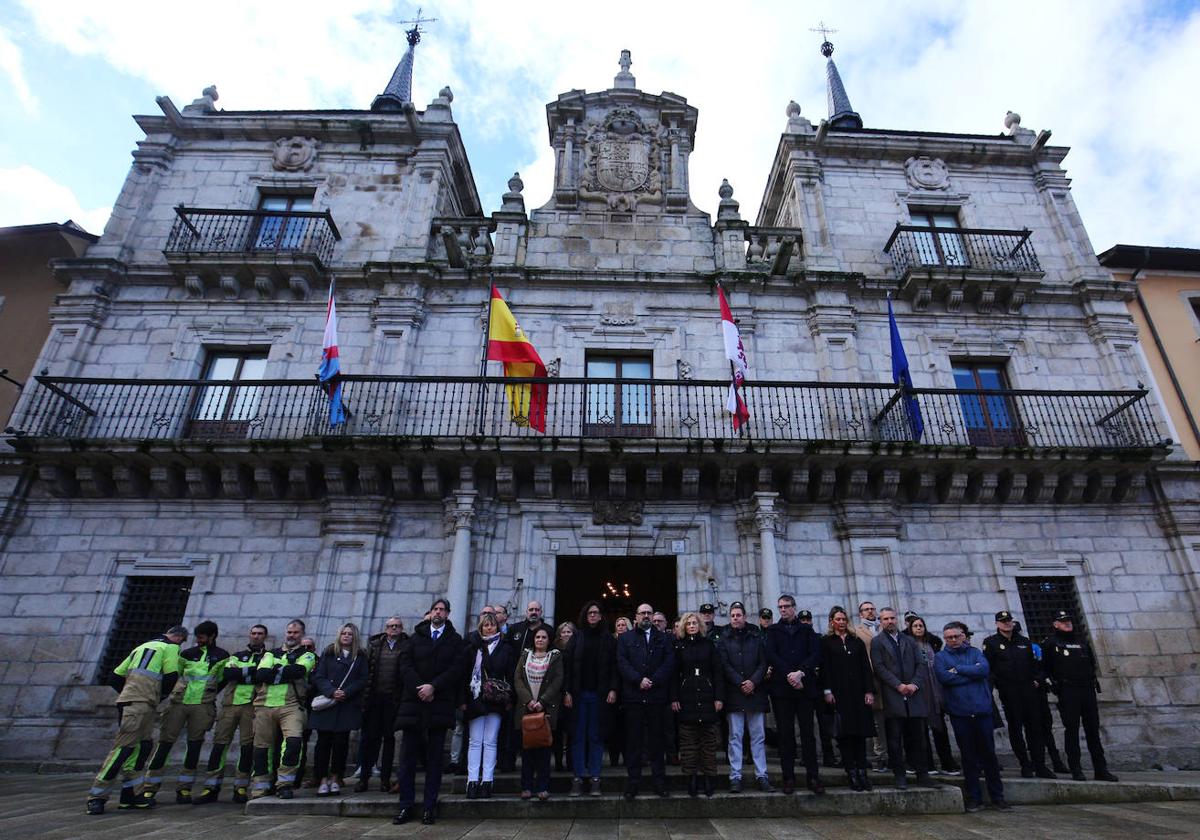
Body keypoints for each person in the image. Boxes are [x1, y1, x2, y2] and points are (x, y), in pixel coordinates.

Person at [85, 625, 187, 816]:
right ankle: (97, 797)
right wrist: (161, 695)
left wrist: (129, 693)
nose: (180, 645)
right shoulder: (170, 648)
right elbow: (171, 675)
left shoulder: (141, 647)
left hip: (135, 702)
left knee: (142, 747)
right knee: (123, 749)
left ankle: (130, 795)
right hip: (140, 704)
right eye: (181, 642)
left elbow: (115, 676)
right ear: (179, 637)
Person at [141, 621, 227, 805]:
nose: (198, 640)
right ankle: (150, 787)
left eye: (202, 637)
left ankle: (184, 788)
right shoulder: (187, 654)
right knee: (164, 744)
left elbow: (222, 680)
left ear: (212, 636)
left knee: (194, 746)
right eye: (197, 637)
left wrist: (209, 694)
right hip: (179, 703)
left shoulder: (221, 656)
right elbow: (172, 675)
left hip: (202, 705)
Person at [394, 597, 462, 826]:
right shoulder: (414, 639)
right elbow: (405, 665)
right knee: (408, 760)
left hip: (439, 702)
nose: (439, 613)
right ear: (430, 612)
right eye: (436, 609)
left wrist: (434, 686)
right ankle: (405, 805)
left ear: (448, 614)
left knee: (434, 760)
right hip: (414, 703)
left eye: (443, 610)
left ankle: (429, 807)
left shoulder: (454, 640)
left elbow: (456, 668)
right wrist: (420, 688)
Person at [934, 622, 1011, 812]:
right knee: (968, 757)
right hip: (960, 713)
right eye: (949, 638)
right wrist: (970, 671)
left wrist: (958, 669)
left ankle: (997, 797)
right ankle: (975, 797)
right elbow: (944, 677)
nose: (953, 640)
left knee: (989, 756)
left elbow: (983, 671)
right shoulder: (941, 657)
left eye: (956, 636)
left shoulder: (976, 652)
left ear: (963, 636)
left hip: (982, 711)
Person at [1041, 610, 1118, 782]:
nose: (1067, 623)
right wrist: (1052, 684)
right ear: (1055, 624)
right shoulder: (1051, 643)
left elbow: (1091, 663)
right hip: (1068, 691)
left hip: (1087, 690)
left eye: (1068, 620)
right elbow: (1044, 668)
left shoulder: (1081, 641)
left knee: (1093, 731)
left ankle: (1101, 769)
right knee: (1072, 730)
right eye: (1062, 621)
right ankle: (1076, 769)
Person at [196, 623, 267, 804]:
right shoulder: (237, 656)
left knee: (246, 747)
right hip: (230, 704)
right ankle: (211, 786)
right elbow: (229, 674)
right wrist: (250, 672)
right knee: (220, 744)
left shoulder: (268, 657)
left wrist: (243, 673)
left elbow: (262, 675)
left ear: (265, 637)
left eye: (260, 634)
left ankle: (240, 786)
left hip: (251, 706)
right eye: (253, 633)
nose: (256, 636)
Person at [249, 620, 316, 800]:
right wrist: (284, 672)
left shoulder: (307, 655)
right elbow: (261, 674)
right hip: (265, 704)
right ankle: (261, 785)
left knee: (294, 742)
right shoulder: (270, 653)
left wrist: (275, 672)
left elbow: (299, 671)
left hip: (291, 704)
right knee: (261, 747)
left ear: (301, 634)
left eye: (295, 632)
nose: (291, 635)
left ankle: (284, 783)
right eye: (289, 632)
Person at [765, 594, 825, 795]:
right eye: (780, 607)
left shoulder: (807, 630)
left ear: (794, 607)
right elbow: (771, 654)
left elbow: (815, 654)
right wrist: (789, 674)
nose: (783, 610)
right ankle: (788, 777)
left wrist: (800, 672)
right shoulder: (773, 631)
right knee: (785, 735)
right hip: (782, 689)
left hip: (804, 688)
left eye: (786, 606)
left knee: (808, 734)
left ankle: (813, 776)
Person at [982, 610, 1053, 779]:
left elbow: (1037, 665)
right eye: (1003, 621)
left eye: (1009, 621)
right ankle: (1025, 764)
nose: (1007, 624)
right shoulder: (991, 643)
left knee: (1035, 728)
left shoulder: (1024, 642)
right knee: (1015, 728)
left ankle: (1040, 764)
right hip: (1009, 691)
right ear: (997, 624)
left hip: (1029, 690)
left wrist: (1037, 680)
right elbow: (989, 669)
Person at [616, 602, 675, 800]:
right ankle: (633, 783)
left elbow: (669, 662)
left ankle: (659, 782)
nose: (647, 616)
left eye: (649, 613)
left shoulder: (664, 638)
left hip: (656, 697)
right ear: (636, 617)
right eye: (643, 613)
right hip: (633, 697)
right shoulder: (625, 638)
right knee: (634, 742)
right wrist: (638, 680)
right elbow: (622, 663)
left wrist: (654, 680)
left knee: (657, 742)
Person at [870, 607, 933, 789]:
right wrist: (898, 685)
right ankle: (900, 775)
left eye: (892, 618)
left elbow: (921, 664)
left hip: (914, 695)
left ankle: (923, 774)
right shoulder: (877, 642)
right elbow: (879, 667)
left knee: (919, 738)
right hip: (893, 695)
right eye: (885, 619)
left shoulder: (909, 640)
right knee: (895, 739)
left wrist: (914, 684)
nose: (889, 621)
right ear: (880, 621)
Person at [819, 607, 876, 791]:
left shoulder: (856, 641)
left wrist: (869, 691)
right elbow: (825, 669)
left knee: (859, 733)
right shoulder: (827, 643)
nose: (841, 622)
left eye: (844, 619)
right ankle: (851, 771)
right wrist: (827, 691)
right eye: (838, 619)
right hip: (839, 694)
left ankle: (862, 771)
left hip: (858, 693)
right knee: (845, 733)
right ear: (831, 621)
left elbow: (865, 667)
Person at [461, 611, 517, 799]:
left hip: (496, 699)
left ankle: (487, 780)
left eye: (492, 624)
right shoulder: (472, 647)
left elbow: (509, 674)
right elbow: (464, 674)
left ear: (497, 627)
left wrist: (509, 699)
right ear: (481, 627)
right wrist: (462, 700)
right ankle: (472, 781)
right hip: (476, 698)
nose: (489, 627)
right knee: (475, 741)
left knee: (490, 741)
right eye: (485, 625)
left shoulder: (506, 647)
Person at [566, 600, 618, 797]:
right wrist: (567, 692)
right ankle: (578, 777)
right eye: (590, 613)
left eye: (596, 613)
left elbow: (614, 666)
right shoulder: (577, 638)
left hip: (600, 695)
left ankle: (595, 777)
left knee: (596, 737)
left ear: (601, 615)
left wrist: (613, 689)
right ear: (585, 616)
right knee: (578, 737)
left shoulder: (608, 639)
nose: (593, 616)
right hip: (579, 695)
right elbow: (568, 667)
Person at [309, 623, 367, 796]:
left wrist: (346, 692)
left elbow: (362, 679)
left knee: (341, 744)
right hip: (328, 704)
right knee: (323, 744)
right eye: (344, 633)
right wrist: (331, 691)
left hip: (346, 705)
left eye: (350, 634)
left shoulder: (360, 656)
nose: (346, 636)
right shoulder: (329, 653)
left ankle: (336, 777)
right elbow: (319, 676)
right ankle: (321, 779)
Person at [720, 601, 772, 793]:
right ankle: (735, 776)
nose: (735, 618)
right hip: (735, 694)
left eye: (738, 615)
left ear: (744, 617)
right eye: (732, 615)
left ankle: (762, 775)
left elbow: (763, 662)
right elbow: (724, 665)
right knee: (735, 736)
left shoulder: (756, 637)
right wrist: (741, 682)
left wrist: (753, 682)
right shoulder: (724, 639)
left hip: (755, 693)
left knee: (758, 736)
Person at [671, 611, 725, 797]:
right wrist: (674, 698)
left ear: (700, 625)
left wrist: (719, 697)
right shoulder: (679, 647)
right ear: (684, 627)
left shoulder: (709, 645)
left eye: (695, 623)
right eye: (689, 623)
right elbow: (674, 675)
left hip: (707, 697)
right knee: (688, 743)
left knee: (709, 742)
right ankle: (691, 778)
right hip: (687, 698)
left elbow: (717, 672)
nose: (692, 626)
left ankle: (709, 778)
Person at [355, 616, 408, 792]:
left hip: (393, 699)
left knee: (389, 739)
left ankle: (385, 778)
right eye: (391, 626)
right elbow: (367, 670)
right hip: (375, 698)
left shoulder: (406, 646)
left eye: (397, 626)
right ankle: (364, 777)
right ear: (386, 629)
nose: (394, 629)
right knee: (371, 739)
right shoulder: (375, 645)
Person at [514, 625, 564, 800]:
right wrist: (529, 700)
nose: (540, 640)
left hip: (545, 709)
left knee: (543, 751)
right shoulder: (525, 655)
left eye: (543, 637)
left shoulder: (555, 657)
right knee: (527, 751)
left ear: (548, 640)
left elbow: (558, 680)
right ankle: (526, 787)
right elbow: (518, 679)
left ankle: (542, 787)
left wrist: (542, 701)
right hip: (526, 708)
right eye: (537, 637)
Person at [906, 616, 959, 775]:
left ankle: (947, 762)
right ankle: (927, 763)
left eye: (921, 625)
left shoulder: (932, 644)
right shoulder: (908, 645)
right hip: (920, 691)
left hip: (936, 691)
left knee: (940, 729)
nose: (918, 628)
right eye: (915, 626)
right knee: (921, 732)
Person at [854, 600, 887, 770]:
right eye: (866, 610)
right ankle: (880, 755)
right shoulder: (857, 631)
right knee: (877, 720)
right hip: (872, 679)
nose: (870, 611)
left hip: (890, 679)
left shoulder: (884, 627)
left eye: (872, 609)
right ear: (860, 614)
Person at [552, 621, 575, 772]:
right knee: (558, 730)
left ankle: (571, 762)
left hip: (573, 693)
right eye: (564, 632)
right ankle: (559, 761)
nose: (566, 634)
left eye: (569, 632)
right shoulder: (554, 650)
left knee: (572, 730)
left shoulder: (578, 649)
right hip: (556, 694)